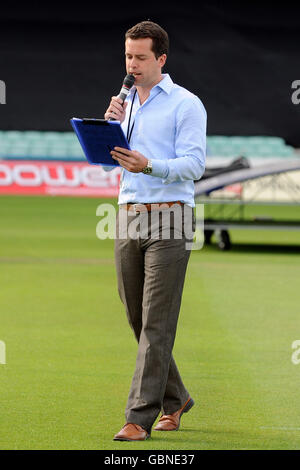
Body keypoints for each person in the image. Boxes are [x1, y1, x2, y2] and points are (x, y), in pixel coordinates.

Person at [104, 20, 206, 441]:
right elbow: (114, 161)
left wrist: (150, 164)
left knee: (157, 324)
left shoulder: (186, 104)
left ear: (161, 58)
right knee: (138, 318)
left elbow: (194, 165)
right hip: (128, 214)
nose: (133, 65)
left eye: (141, 57)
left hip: (172, 217)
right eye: (129, 56)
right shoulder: (126, 103)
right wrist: (107, 129)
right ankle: (176, 396)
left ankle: (137, 417)